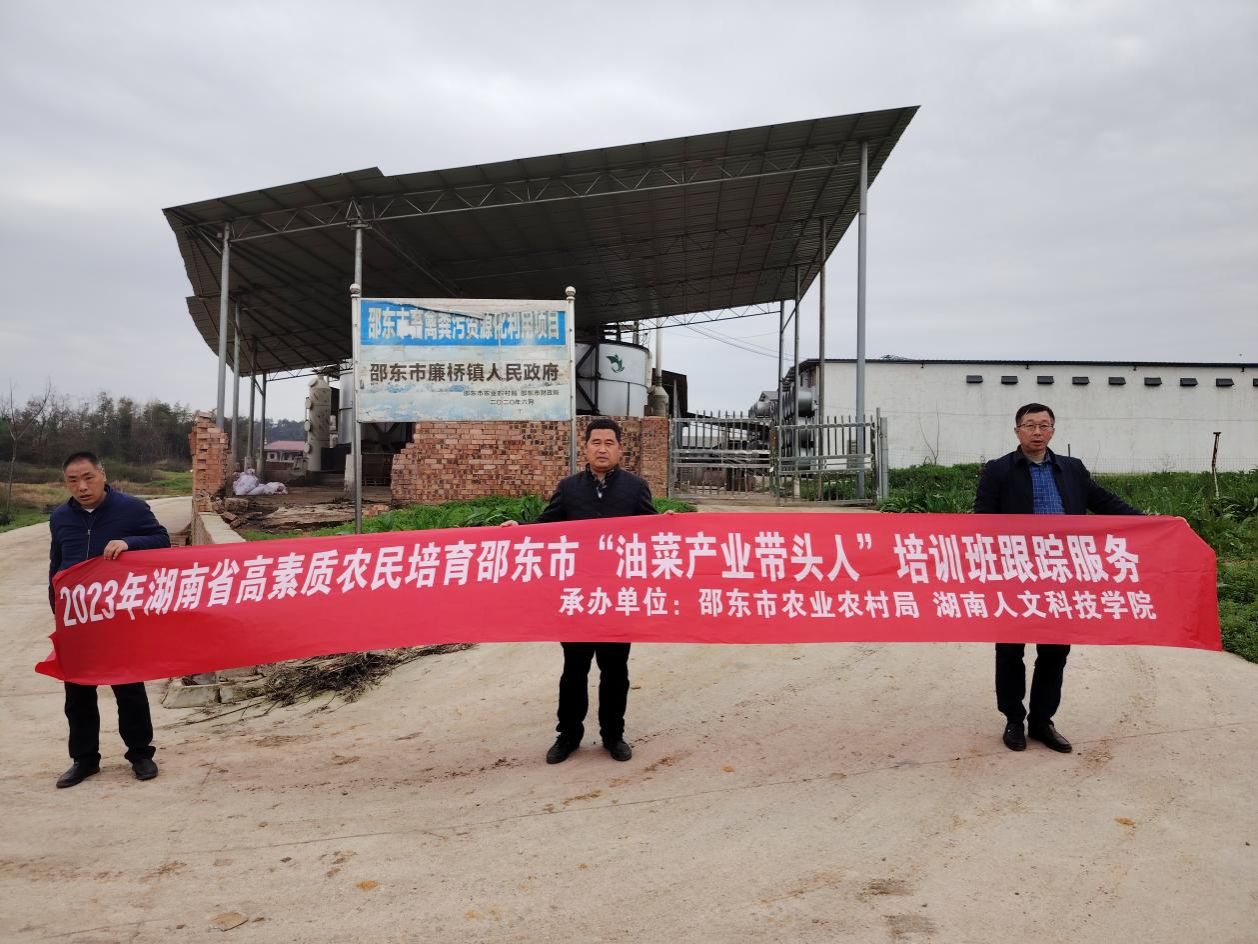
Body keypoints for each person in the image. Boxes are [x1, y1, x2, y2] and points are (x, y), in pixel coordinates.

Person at [975, 404, 1142, 754]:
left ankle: (1042, 722)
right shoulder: (998, 470)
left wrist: (1153, 522)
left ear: (1053, 430)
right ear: (1017, 430)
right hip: (1016, 573)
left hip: (1061, 573)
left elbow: (1104, 502)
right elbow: (982, 520)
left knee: (1054, 651)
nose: (1037, 432)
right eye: (1030, 425)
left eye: (1044, 425)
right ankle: (1013, 720)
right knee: (1010, 650)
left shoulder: (1072, 468)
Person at [504, 418, 658, 764]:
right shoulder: (569, 488)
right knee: (574, 669)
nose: (602, 449)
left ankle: (613, 735)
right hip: (576, 596)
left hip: (617, 595)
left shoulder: (635, 488)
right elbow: (546, 527)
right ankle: (568, 735)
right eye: (595, 443)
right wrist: (519, 530)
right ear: (585, 448)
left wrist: (673, 525)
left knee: (615, 670)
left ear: (620, 449)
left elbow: (651, 531)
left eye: (609, 443)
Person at [48, 451, 171, 788]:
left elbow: (162, 540)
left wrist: (129, 542)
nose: (82, 487)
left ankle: (140, 754)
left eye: (88, 478)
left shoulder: (131, 508)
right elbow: (56, 562)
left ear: (102, 474)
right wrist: (57, 607)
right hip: (78, 619)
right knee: (78, 693)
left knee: (128, 687)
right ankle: (84, 760)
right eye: (73, 481)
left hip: (118, 616)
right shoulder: (60, 517)